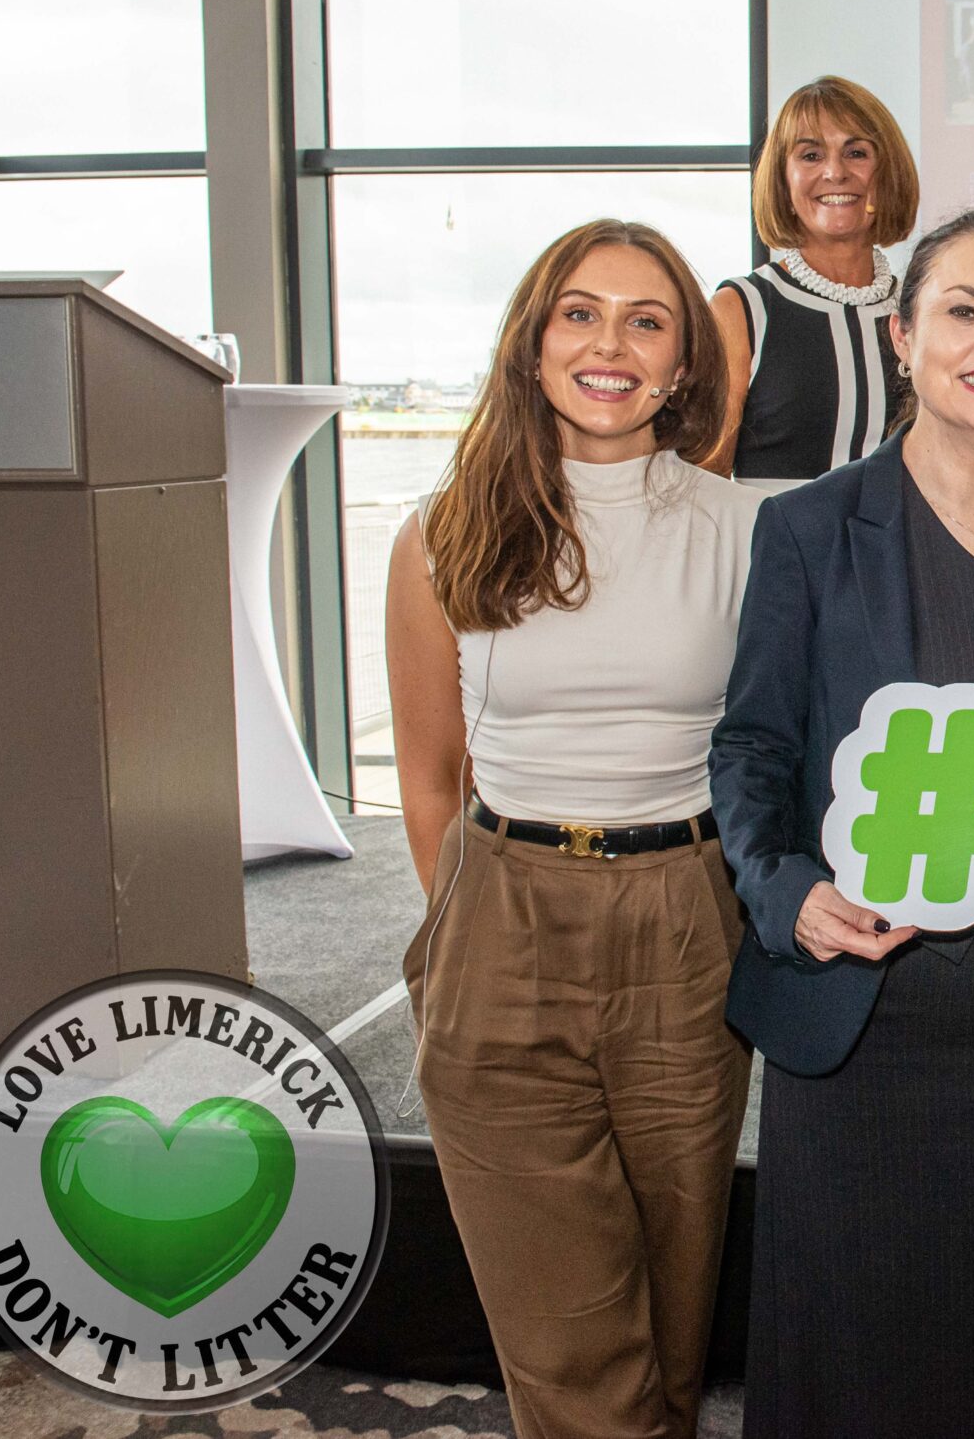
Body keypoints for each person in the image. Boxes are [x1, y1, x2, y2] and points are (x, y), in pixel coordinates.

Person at [711, 210, 974, 1439]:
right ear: (903, 336)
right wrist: (788, 890)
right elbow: (750, 751)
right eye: (963, 309)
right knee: (849, 1369)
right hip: (862, 1036)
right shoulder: (805, 527)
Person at [387, 219, 755, 1439]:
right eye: (580, 312)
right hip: (502, 919)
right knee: (569, 1347)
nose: (611, 342)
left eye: (646, 318)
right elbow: (432, 776)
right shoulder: (441, 531)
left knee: (668, 1317)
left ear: (684, 363)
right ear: (532, 343)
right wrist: (469, 935)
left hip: (686, 924)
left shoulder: (747, 528)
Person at [707, 76, 920, 493]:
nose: (835, 172)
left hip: (900, 554)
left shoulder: (919, 310)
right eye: (810, 155)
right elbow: (705, 481)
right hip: (772, 554)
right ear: (783, 183)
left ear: (886, 176)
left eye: (856, 152)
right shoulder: (741, 309)